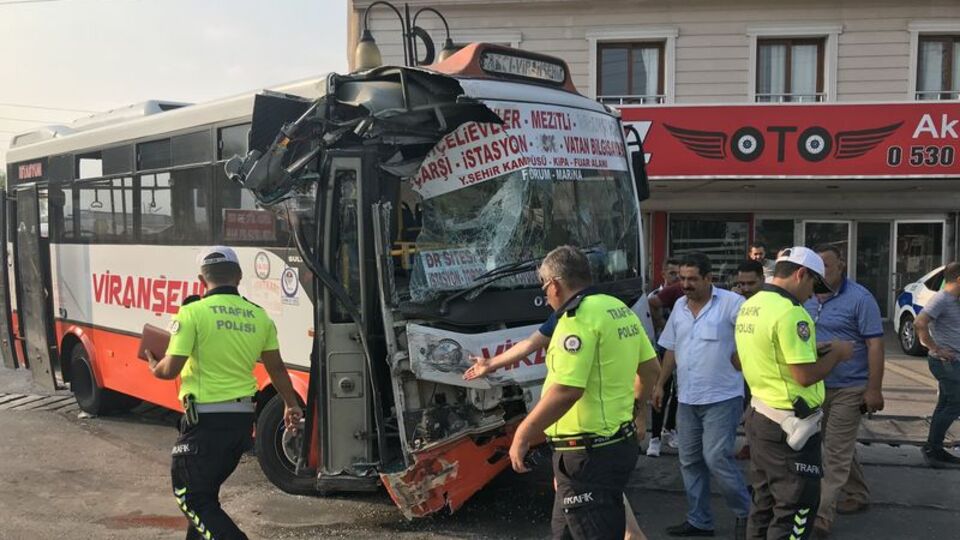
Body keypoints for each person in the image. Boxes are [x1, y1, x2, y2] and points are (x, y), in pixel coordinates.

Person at [499, 245, 661, 539]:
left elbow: (567, 391)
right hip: (608, 446)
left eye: (544, 286)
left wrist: (523, 435)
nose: (545, 295)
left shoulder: (577, 319)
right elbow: (650, 369)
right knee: (565, 533)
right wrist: (636, 413)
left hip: (588, 456)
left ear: (555, 285)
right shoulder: (617, 308)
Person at [147, 246, 303, 540]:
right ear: (239, 276)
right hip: (241, 425)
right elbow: (277, 369)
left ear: (201, 280)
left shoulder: (192, 313)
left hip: (205, 424)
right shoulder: (259, 317)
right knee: (205, 500)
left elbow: (170, 370)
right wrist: (290, 404)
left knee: (191, 497)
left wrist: (155, 366)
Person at [734, 246, 853, 540]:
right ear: (801, 274)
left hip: (760, 415)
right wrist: (837, 354)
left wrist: (814, 350)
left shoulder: (752, 304)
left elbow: (747, 357)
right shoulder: (792, 314)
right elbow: (803, 376)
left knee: (764, 502)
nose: (812, 294)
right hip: (790, 426)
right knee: (796, 506)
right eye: (813, 284)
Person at [653, 252, 750, 539]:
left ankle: (748, 513)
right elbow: (671, 348)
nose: (685, 284)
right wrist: (660, 384)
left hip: (723, 397)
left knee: (716, 457)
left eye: (693, 279)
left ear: (710, 279)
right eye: (682, 278)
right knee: (690, 460)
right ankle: (699, 521)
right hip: (687, 398)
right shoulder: (680, 307)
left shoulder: (733, 304)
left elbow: (753, 338)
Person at [802, 244, 884, 536]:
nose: (822, 272)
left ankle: (821, 518)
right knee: (839, 444)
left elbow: (875, 344)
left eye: (828, 266)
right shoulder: (806, 297)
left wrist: (874, 389)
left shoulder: (860, 298)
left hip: (850, 387)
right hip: (816, 386)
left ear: (842, 267)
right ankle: (858, 494)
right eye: (817, 267)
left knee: (834, 452)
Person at [913, 261, 960, 469]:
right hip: (946, 362)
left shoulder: (954, 300)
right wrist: (935, 348)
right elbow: (919, 322)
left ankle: (934, 448)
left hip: (952, 361)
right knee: (955, 403)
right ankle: (934, 448)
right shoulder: (942, 298)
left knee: (945, 404)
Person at [732, 259, 766, 461]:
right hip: (742, 365)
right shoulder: (735, 301)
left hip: (764, 366)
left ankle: (755, 446)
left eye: (750, 284)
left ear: (762, 280)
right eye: (741, 284)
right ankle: (749, 442)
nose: (745, 288)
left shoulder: (770, 301)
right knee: (748, 407)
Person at [648, 258, 682, 457]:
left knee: (678, 393)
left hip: (682, 350)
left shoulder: (684, 295)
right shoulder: (655, 296)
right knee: (661, 391)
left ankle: (670, 429)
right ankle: (655, 438)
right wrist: (661, 322)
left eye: (678, 273)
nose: (676, 277)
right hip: (662, 350)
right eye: (672, 273)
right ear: (663, 274)